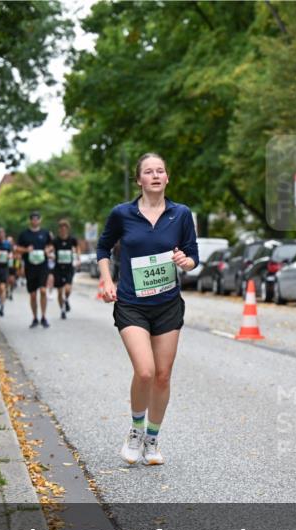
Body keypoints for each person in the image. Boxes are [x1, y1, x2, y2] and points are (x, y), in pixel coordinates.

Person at [97, 153, 198, 466]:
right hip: (131, 304)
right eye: (148, 172)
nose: (155, 175)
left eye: (161, 171)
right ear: (139, 180)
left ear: (167, 178)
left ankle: (153, 439)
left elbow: (193, 258)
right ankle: (135, 431)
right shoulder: (122, 214)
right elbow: (103, 248)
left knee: (163, 376)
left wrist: (186, 262)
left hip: (167, 304)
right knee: (145, 370)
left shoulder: (181, 214)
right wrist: (106, 280)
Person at [16, 211, 54, 328]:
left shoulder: (45, 233)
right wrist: (26, 250)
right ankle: (35, 318)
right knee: (33, 295)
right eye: (33, 219)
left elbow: (52, 245)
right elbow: (17, 248)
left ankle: (43, 317)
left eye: (37, 219)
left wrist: (48, 250)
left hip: (42, 266)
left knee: (43, 290)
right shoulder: (24, 234)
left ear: (40, 220)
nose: (35, 221)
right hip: (30, 266)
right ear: (30, 220)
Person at [52, 219, 79, 319]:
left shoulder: (72, 240)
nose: (63, 230)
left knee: (67, 289)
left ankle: (66, 299)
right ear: (59, 230)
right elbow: (51, 249)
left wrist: (78, 257)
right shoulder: (55, 241)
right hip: (58, 268)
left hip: (69, 267)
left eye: (65, 228)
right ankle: (62, 310)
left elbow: (77, 248)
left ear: (67, 229)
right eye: (61, 228)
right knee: (59, 292)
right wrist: (50, 254)